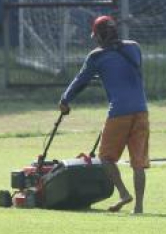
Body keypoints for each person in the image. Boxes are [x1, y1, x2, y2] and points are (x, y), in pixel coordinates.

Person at [58, 15, 149, 214]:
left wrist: (65, 100)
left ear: (99, 36)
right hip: (142, 111)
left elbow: (80, 81)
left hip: (119, 112)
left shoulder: (97, 56)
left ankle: (124, 194)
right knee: (138, 163)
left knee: (106, 159)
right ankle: (139, 208)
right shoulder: (134, 47)